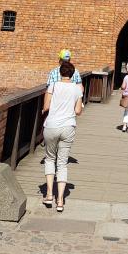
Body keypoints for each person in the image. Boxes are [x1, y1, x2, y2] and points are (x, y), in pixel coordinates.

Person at [42, 60, 83, 212]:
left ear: (60, 72)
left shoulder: (53, 86)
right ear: (72, 74)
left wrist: (43, 112)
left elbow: (46, 106)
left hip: (51, 126)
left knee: (50, 158)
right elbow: (78, 111)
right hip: (68, 127)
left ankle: (48, 195)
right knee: (62, 163)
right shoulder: (77, 89)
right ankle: (60, 200)